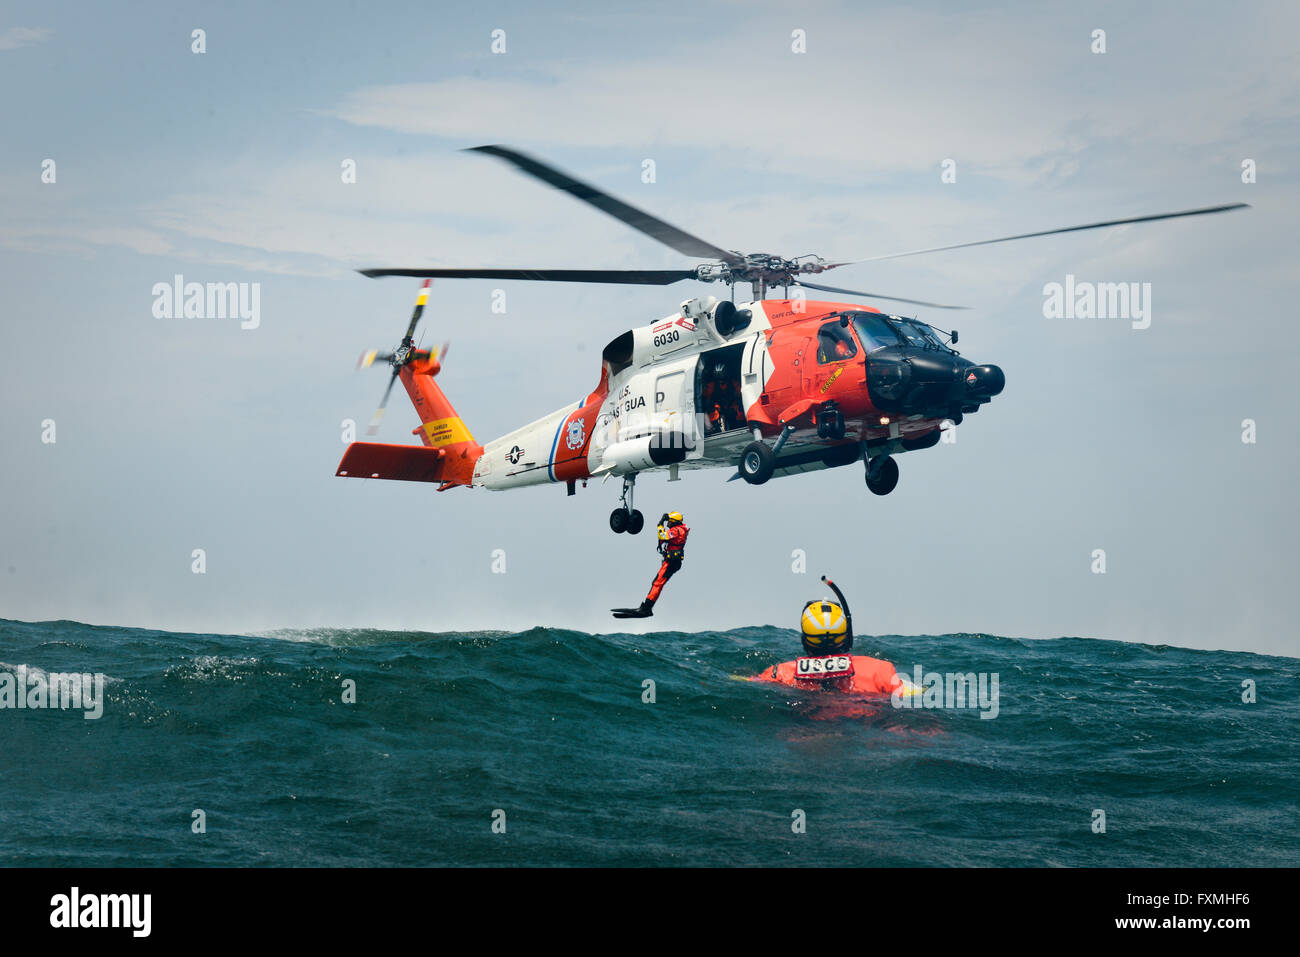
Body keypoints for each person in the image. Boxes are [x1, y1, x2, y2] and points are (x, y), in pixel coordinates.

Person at [751, 575, 919, 697]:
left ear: (805, 640)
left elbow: (748, 684)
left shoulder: (778, 674)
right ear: (846, 636)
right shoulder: (881, 671)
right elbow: (913, 695)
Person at [612, 511, 688, 618]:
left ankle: (647, 608)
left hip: (672, 562)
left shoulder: (677, 531)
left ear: (674, 522)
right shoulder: (678, 530)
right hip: (671, 561)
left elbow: (662, 535)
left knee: (657, 583)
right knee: (657, 583)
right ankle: (646, 606)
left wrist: (660, 524)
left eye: (669, 521)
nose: (667, 524)